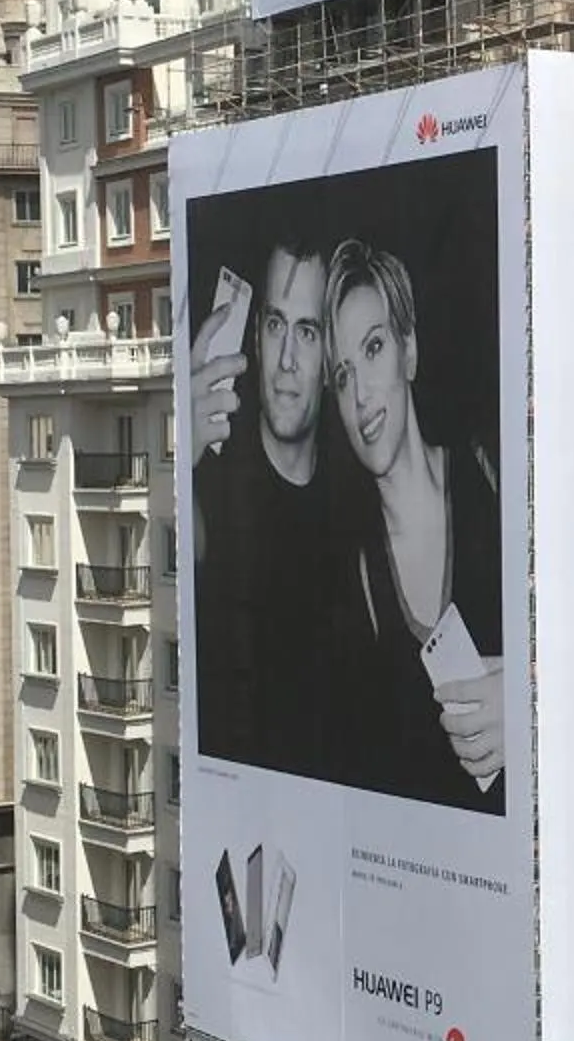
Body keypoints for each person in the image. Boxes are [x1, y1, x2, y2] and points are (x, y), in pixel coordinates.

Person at [323, 238, 507, 811]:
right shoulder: (355, 578)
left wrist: (531, 702)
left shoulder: (493, 474)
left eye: (373, 348)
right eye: (342, 375)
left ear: (409, 350)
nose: (360, 395)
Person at [188, 233, 354, 778]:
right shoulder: (210, 485)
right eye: (276, 324)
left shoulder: (359, 506)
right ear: (255, 334)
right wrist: (178, 459)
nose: (286, 360)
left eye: (306, 332)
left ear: (331, 356)